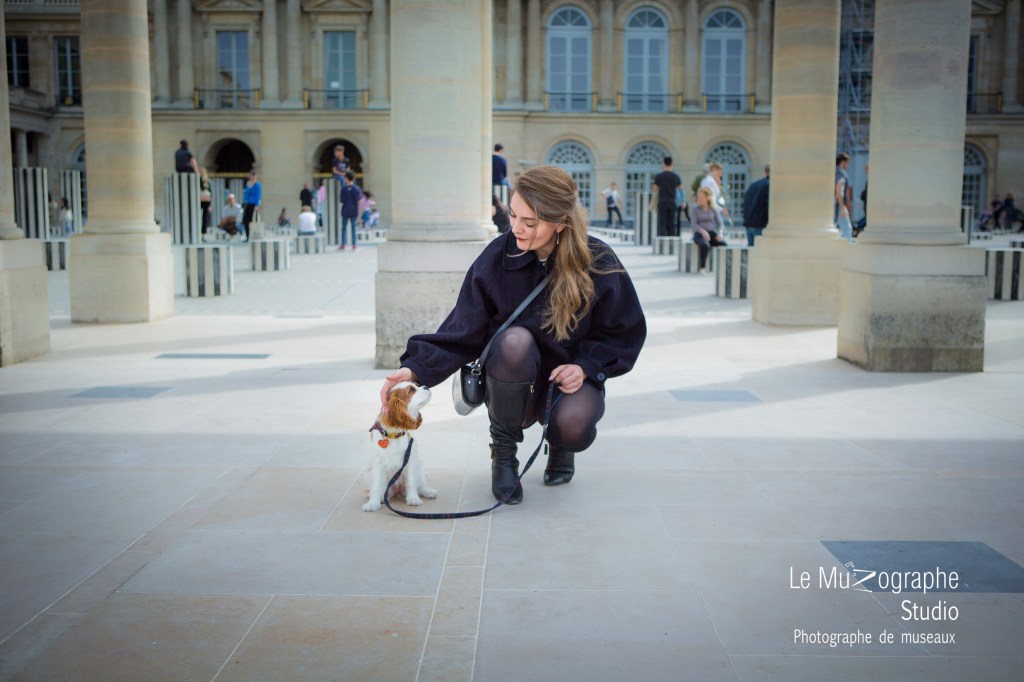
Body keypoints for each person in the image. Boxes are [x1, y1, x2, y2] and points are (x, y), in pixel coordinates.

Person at [380, 166, 646, 505]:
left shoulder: (599, 260)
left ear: (560, 222)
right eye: (513, 215)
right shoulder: (498, 256)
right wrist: (414, 370)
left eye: (530, 223)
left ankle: (561, 445)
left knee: (574, 425)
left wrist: (586, 367)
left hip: (568, 381)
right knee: (514, 341)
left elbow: (623, 330)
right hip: (511, 379)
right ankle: (504, 454)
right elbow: (463, 328)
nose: (516, 228)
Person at [691, 187, 727, 273]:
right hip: (699, 234)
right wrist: (703, 231)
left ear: (707, 198)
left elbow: (720, 223)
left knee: (724, 245)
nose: (699, 199)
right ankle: (702, 268)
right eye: (698, 197)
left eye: (701, 197)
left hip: (711, 233)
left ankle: (723, 268)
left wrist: (720, 233)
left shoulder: (713, 209)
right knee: (705, 245)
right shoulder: (695, 209)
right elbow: (694, 224)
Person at [652, 157, 683, 237]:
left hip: (662, 200)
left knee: (662, 221)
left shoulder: (659, 176)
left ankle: (662, 238)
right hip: (672, 201)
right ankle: (672, 238)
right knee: (672, 222)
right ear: (672, 163)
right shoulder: (676, 176)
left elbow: (654, 188)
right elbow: (680, 188)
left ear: (664, 163)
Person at [742, 164, 770, 246]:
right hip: (761, 224)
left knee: (752, 251)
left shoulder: (753, 185)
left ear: (765, 172)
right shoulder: (770, 185)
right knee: (762, 251)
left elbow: (744, 203)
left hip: (748, 223)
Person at [338, 170, 362, 250]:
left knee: (343, 228)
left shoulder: (343, 189)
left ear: (346, 178)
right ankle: (354, 244)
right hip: (354, 210)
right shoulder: (357, 189)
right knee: (353, 228)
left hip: (345, 210)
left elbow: (341, 200)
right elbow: (359, 201)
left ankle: (343, 244)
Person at [835, 153, 854, 242]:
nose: (848, 165)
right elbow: (839, 191)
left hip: (835, 205)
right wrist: (842, 207)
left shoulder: (835, 172)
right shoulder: (841, 174)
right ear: (843, 162)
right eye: (848, 163)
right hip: (839, 204)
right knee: (847, 229)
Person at [241, 170, 261, 241]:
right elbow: (246, 194)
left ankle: (253, 235)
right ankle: (247, 236)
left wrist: (257, 205)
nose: (252, 176)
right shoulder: (248, 184)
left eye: (253, 175)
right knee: (245, 220)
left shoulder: (257, 184)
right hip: (247, 204)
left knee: (252, 220)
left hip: (253, 204)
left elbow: (258, 195)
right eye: (251, 175)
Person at [199, 167, 213, 234]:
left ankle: (200, 229)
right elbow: (210, 193)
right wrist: (210, 204)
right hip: (207, 200)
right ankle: (203, 230)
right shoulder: (208, 181)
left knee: (199, 215)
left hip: (200, 200)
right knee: (205, 216)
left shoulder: (198, 180)